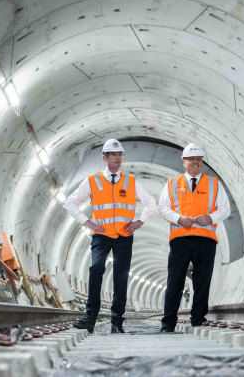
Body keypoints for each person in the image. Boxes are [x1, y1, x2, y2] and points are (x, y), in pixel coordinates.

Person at [64, 138, 157, 333]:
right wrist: (86, 221)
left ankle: (117, 322)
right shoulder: (93, 180)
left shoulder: (130, 181)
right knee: (96, 268)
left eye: (119, 155)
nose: (117, 158)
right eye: (113, 155)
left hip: (124, 235)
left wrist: (140, 221)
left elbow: (151, 203)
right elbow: (69, 202)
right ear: (104, 158)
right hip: (101, 234)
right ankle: (90, 318)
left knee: (120, 277)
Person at [157, 143, 231, 332]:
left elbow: (225, 209)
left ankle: (198, 320)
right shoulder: (173, 183)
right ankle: (168, 324)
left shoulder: (214, 183)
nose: (195, 162)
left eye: (198, 159)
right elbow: (163, 208)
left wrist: (211, 218)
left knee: (202, 282)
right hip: (180, 238)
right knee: (175, 282)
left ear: (202, 162)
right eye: (191, 159)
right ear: (184, 162)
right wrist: (179, 218)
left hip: (206, 239)